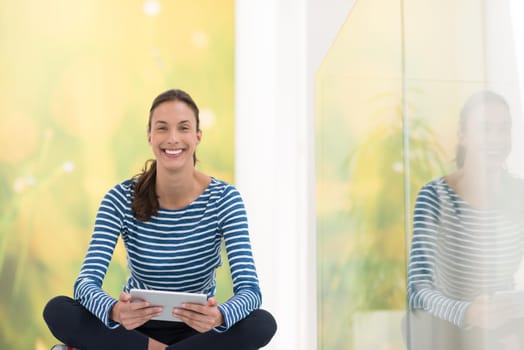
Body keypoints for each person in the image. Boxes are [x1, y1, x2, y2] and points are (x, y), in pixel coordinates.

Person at [43, 89, 277, 350]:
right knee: (58, 310)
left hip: (198, 333)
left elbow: (250, 291)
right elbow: (85, 283)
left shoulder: (225, 199)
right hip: (136, 330)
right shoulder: (119, 198)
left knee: (262, 323)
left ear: (198, 136)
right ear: (150, 136)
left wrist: (220, 315)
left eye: (184, 128)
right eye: (162, 128)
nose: (173, 138)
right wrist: (114, 311)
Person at [406, 90, 524, 349]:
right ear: (463, 136)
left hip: (501, 327)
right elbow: (418, 291)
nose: (496, 138)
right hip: (445, 328)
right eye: (485, 128)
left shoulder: (519, 195)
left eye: (504, 129)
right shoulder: (435, 196)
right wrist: (469, 312)